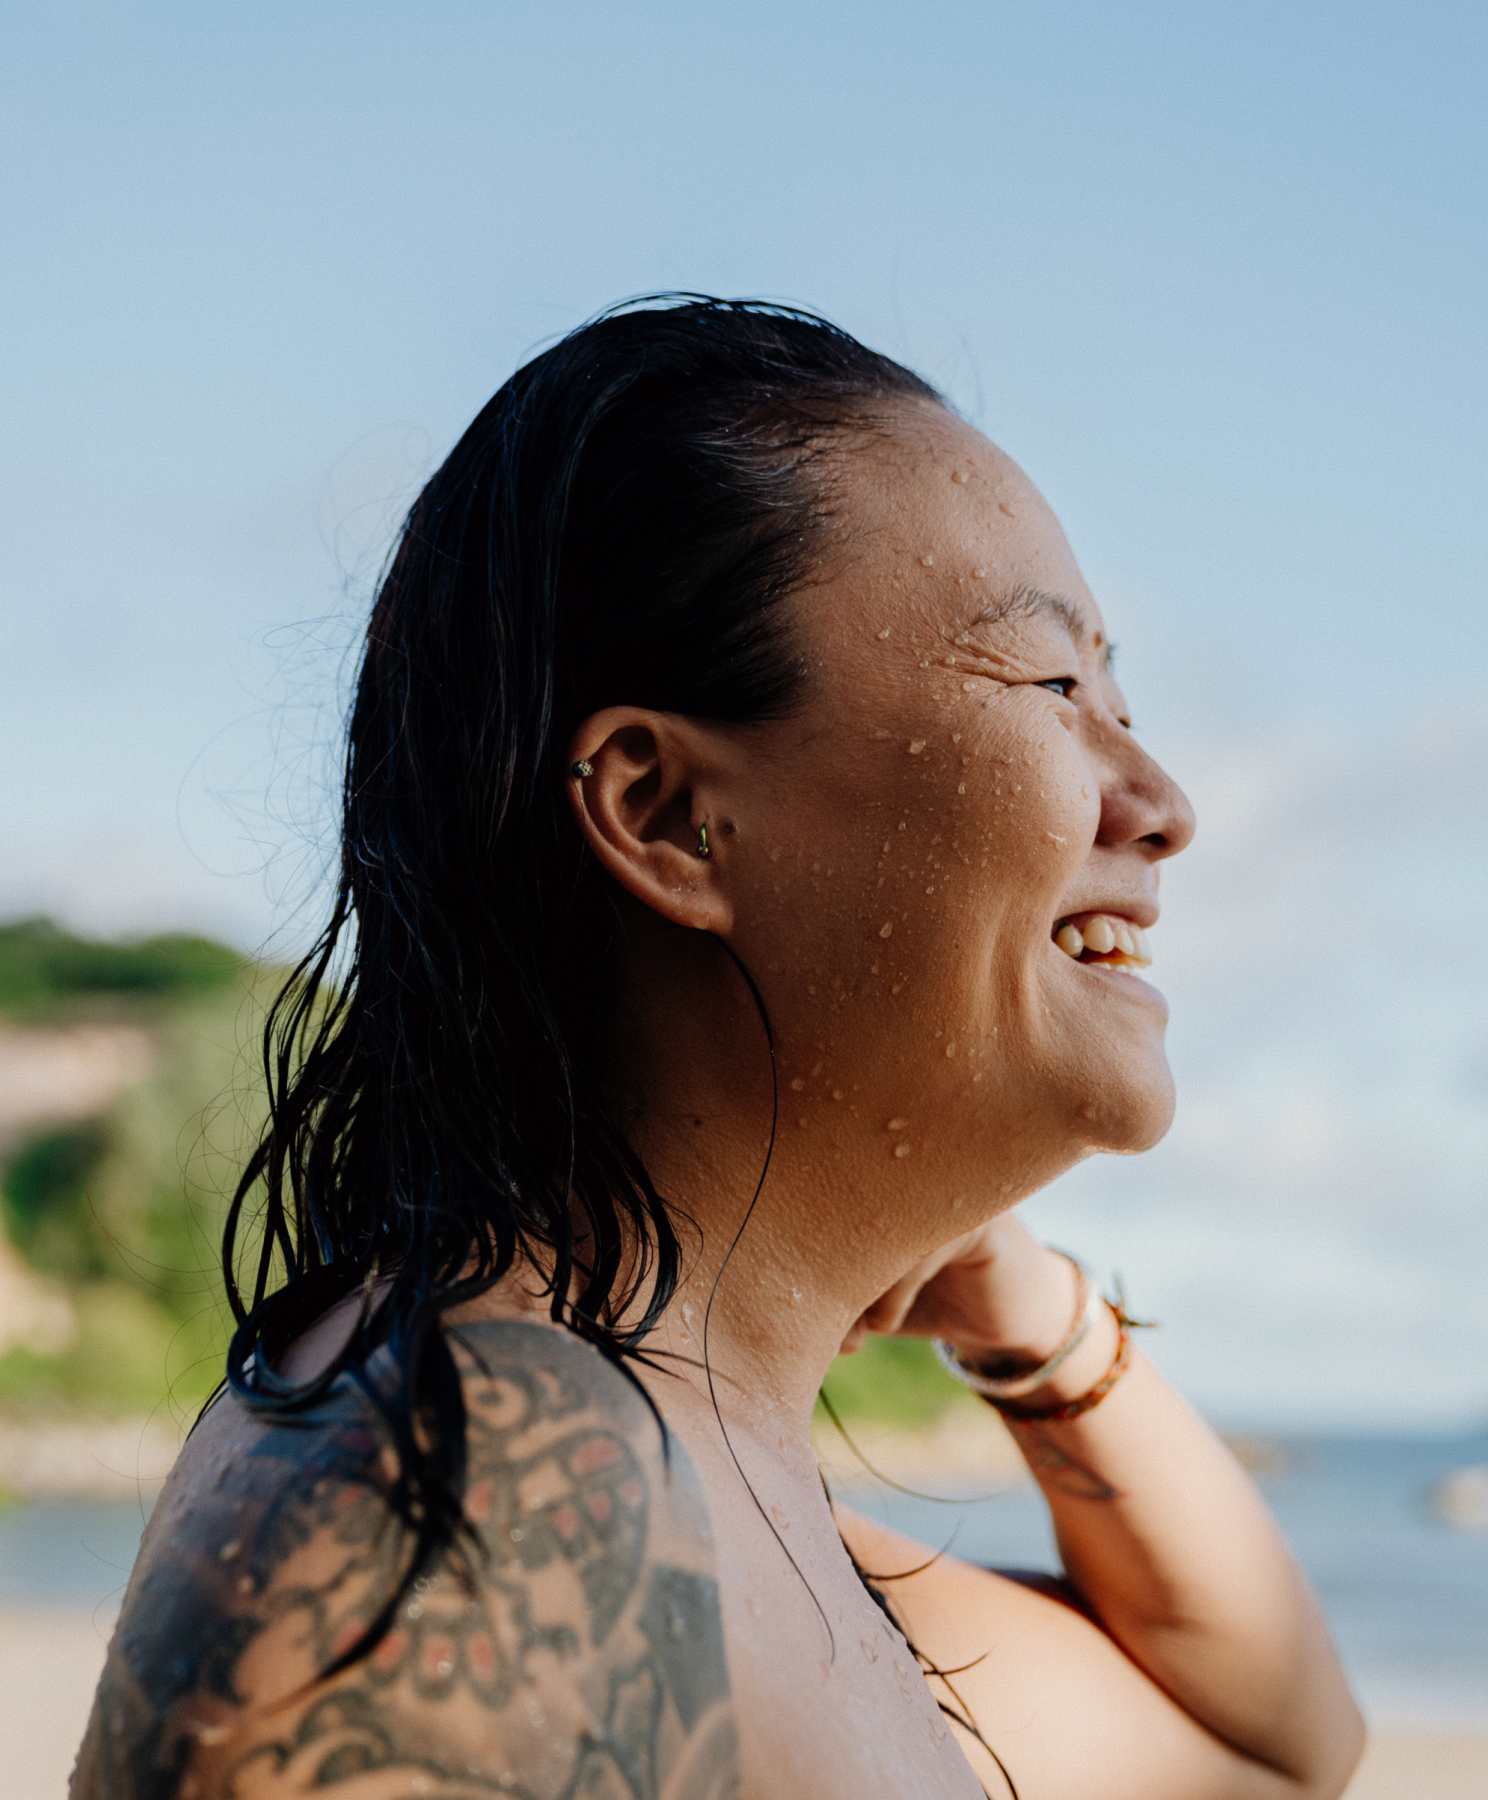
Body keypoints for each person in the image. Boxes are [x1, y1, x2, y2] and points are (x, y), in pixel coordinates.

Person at [72, 292, 1367, 1799]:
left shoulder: (680, 1470)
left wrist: (1033, 1320)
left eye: (1125, 698)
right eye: (1056, 687)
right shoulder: (496, 1500)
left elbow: (1270, 1747)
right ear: (668, 815)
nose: (1161, 801)